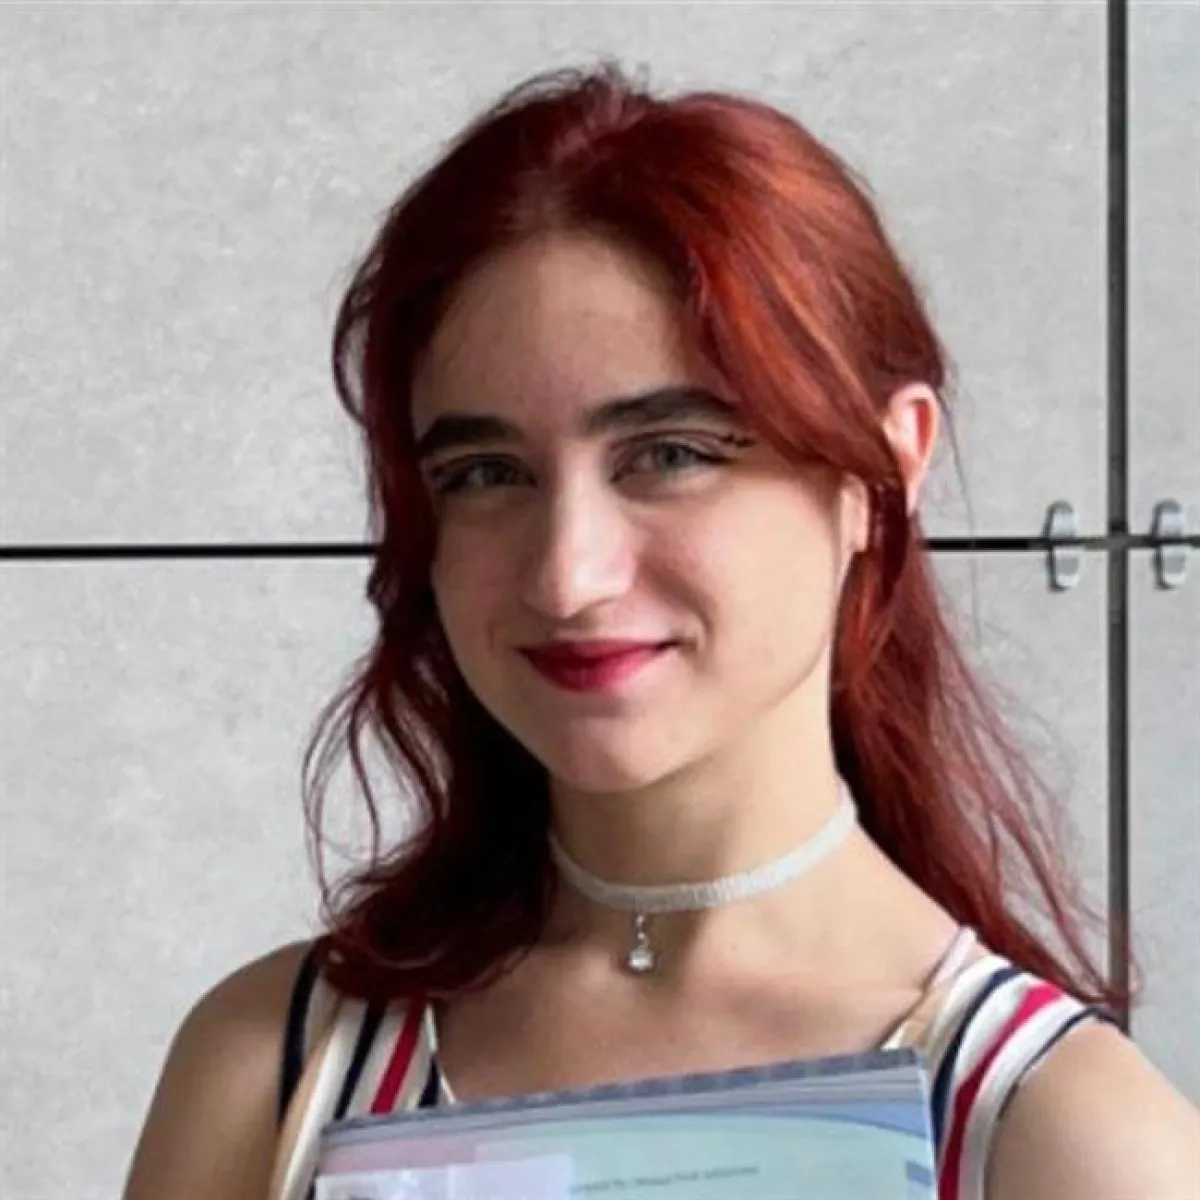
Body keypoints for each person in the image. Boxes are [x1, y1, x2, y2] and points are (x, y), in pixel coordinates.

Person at [123, 62, 1200, 1200]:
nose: (567, 575)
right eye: (486, 472)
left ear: (885, 471)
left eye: (670, 454)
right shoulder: (275, 1069)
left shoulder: (1063, 1137)